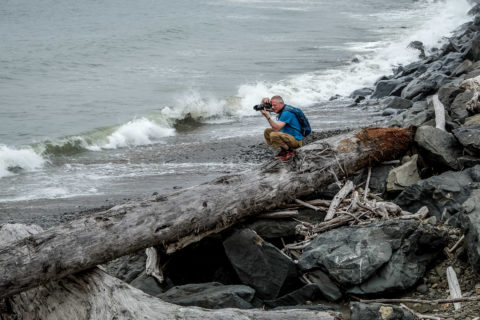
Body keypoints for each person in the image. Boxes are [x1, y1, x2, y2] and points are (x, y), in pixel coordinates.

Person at [259, 95, 303, 161]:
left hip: (296, 140)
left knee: (274, 134)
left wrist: (267, 117)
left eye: (274, 105)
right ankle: (284, 150)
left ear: (281, 104)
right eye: (272, 105)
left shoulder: (287, 113)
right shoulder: (282, 108)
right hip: (288, 135)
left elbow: (277, 129)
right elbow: (265, 108)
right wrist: (263, 101)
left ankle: (290, 151)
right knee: (267, 132)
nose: (272, 107)